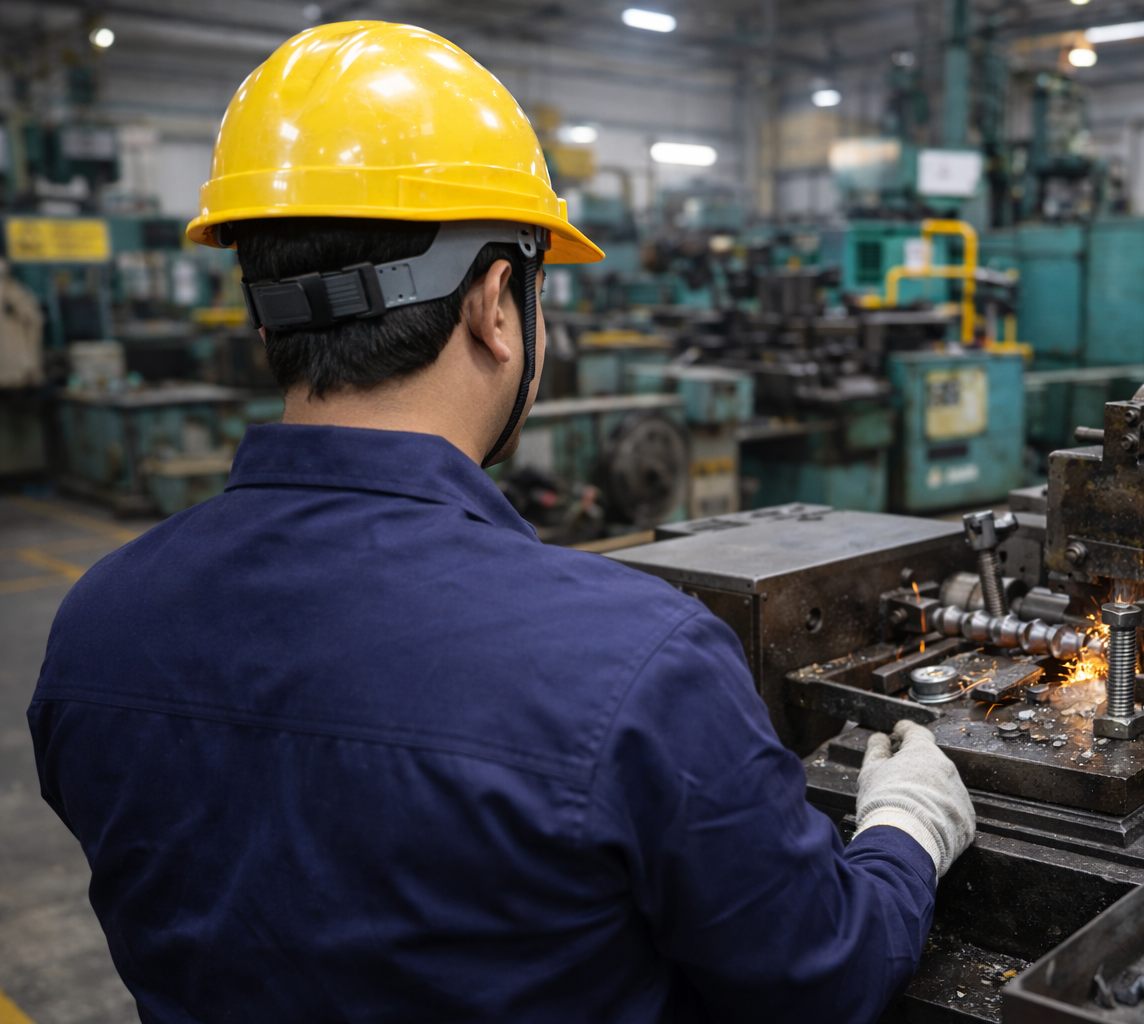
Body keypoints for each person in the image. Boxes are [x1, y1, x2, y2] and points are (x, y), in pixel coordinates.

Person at [28, 21, 975, 1024]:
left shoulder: (97, 626)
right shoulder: (634, 664)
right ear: (495, 304)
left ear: (262, 312)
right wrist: (903, 834)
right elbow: (822, 978)